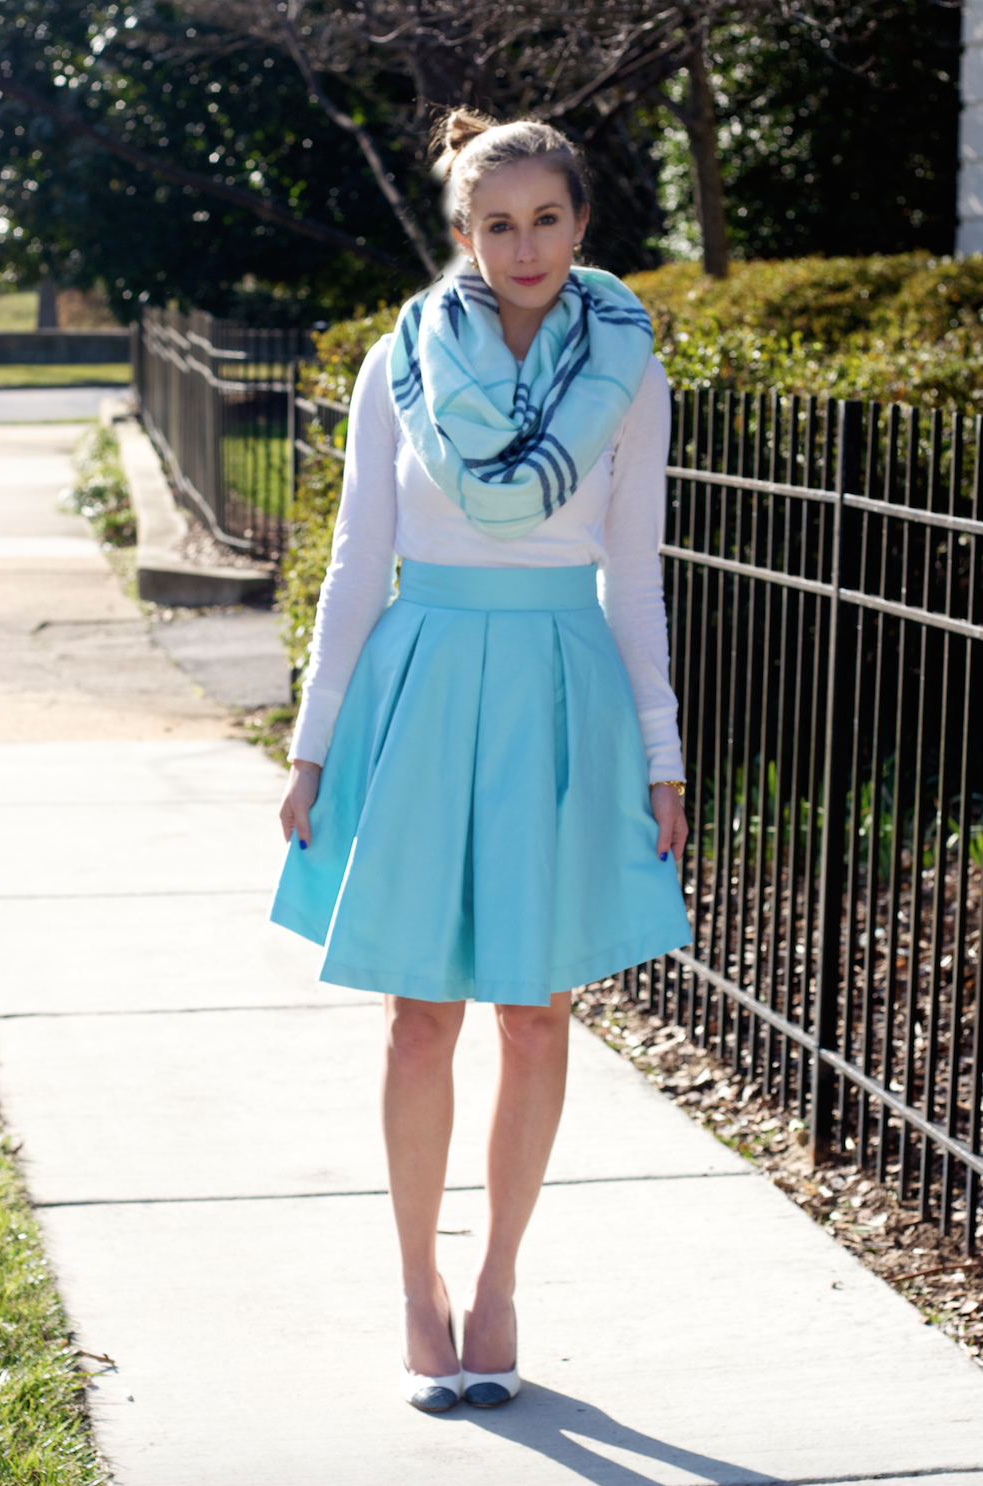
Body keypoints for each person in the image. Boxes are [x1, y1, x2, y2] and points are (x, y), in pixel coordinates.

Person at [270, 109, 691, 1413]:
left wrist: (662, 755)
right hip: (424, 685)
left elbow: (635, 579)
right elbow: (356, 563)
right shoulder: (400, 360)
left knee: (537, 1009)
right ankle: (419, 1288)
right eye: (497, 224)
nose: (525, 247)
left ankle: (500, 1279)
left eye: (547, 219)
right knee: (420, 1019)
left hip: (562, 693)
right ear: (463, 234)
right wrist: (312, 745)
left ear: (582, 223)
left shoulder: (628, 370)